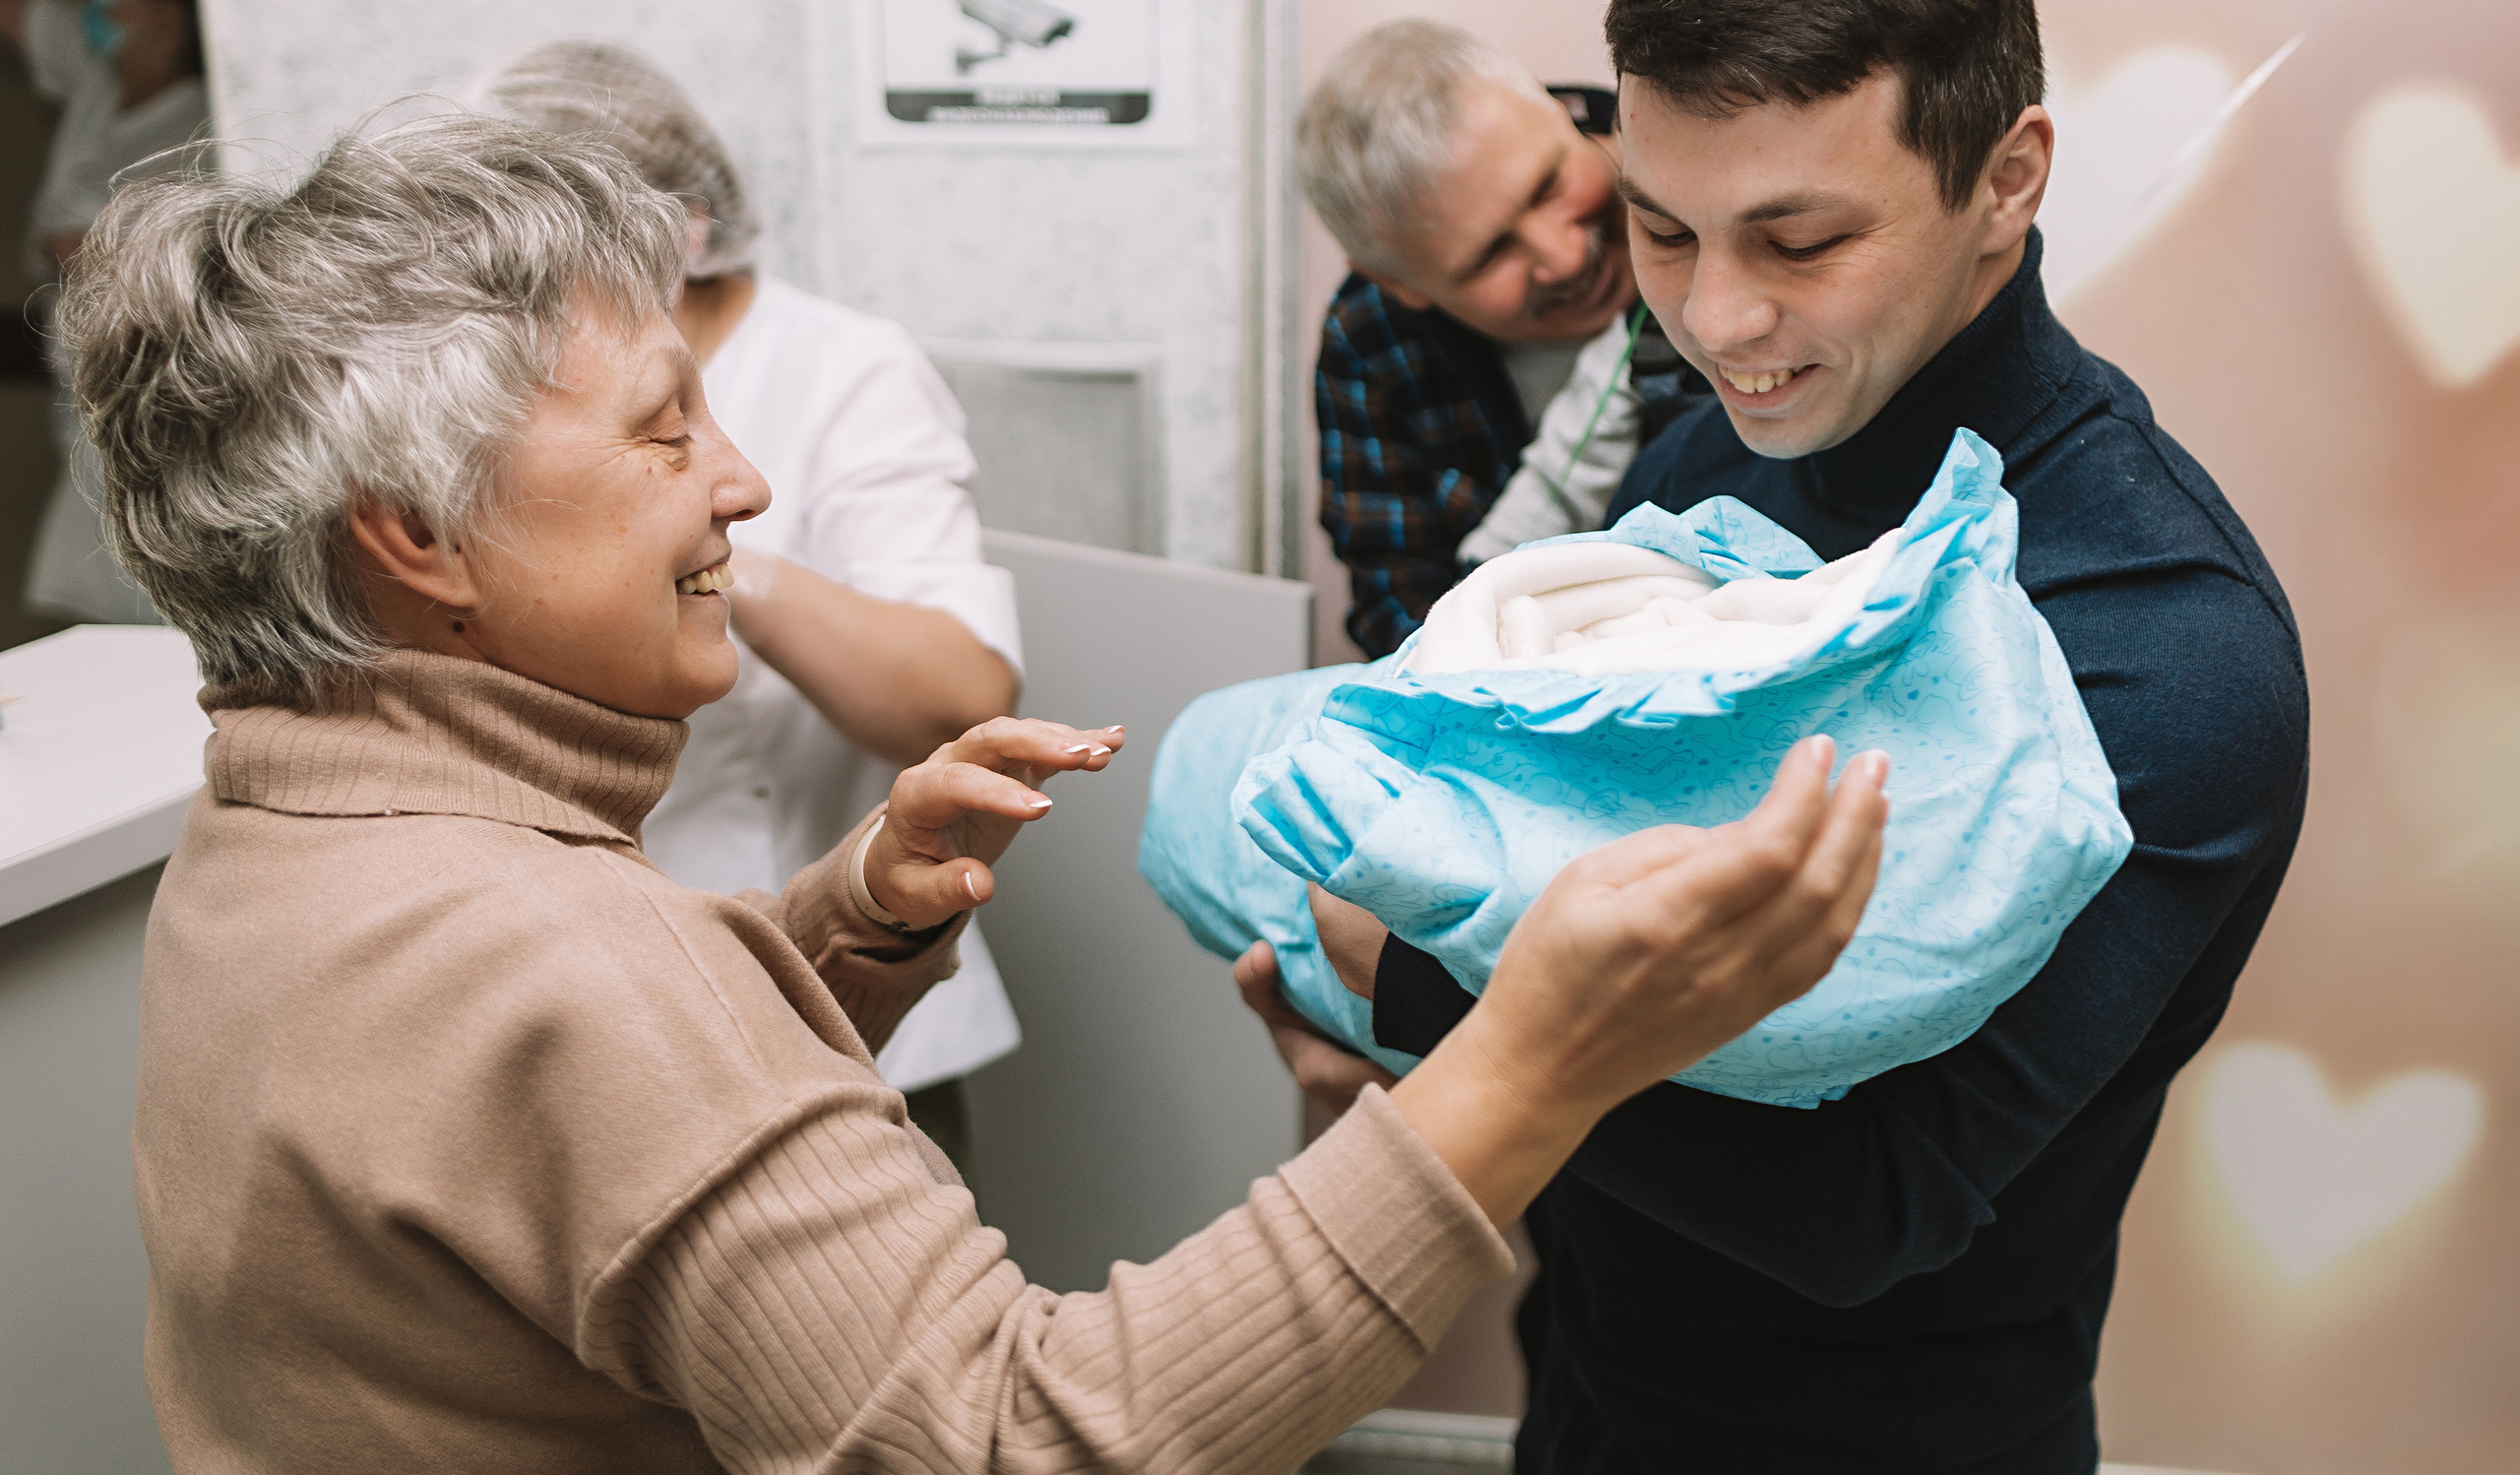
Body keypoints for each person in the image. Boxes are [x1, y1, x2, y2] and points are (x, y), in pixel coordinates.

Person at [67, 108, 1889, 1471]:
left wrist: (824, 944)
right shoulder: (572, 968)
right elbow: (1030, 1438)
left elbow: (539, 1168)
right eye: (660, 427)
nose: (747, 485)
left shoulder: (271, 836)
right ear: (413, 535)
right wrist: (1535, 1064)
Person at [1285, 0, 2311, 1473]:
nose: (1712, 319)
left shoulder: (2164, 647)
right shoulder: (1704, 457)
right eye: (1663, 229)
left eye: (1801, 239)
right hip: (1591, 1384)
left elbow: (1872, 1206)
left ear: (2010, 179)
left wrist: (1407, 981)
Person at [479, 41, 1022, 1169]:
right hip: (599, 998)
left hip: (850, 1009)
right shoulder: (509, 389)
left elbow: (963, 689)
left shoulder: (842, 369)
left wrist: (702, 551)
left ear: (679, 228)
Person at [1295, 21, 1707, 658]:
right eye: (1490, 255)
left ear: (1559, 109)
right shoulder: (1372, 341)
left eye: (1547, 185)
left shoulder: (1717, 164)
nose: (1565, 256)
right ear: (1401, 284)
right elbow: (1401, 618)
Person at [0, 0, 209, 623]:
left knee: (150, 615)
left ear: (165, 12)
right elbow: (13, 3)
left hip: (167, 415)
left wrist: (87, 251)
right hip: (85, 402)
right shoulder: (98, 76)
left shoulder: (207, 122)